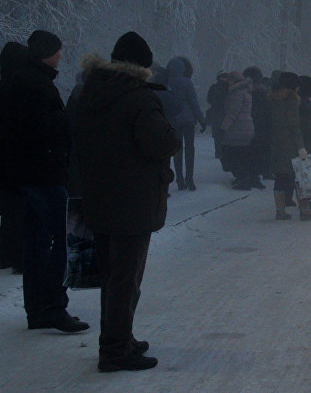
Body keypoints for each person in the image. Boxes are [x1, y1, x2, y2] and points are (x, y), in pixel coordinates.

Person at [75, 31, 181, 372]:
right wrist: (172, 133)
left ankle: (119, 338)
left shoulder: (89, 91)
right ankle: (116, 349)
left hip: (100, 195)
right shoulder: (138, 98)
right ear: (141, 66)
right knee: (127, 276)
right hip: (132, 199)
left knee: (112, 275)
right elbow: (160, 142)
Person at [1, 30, 89, 332]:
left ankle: (37, 309)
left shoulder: (22, 81)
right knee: (68, 236)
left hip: (28, 175)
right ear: (45, 53)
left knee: (36, 242)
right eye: (58, 50)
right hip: (44, 175)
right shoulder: (35, 85)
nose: (61, 55)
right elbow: (42, 130)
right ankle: (54, 306)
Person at [269, 72, 311, 220]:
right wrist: (300, 147)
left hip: (276, 144)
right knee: (300, 176)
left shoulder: (273, 100)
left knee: (280, 177)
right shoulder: (291, 102)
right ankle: (304, 209)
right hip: (290, 145)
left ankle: (280, 210)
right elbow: (294, 126)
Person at [0, 42, 28, 274]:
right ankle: (19, 256)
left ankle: (6, 254)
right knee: (20, 213)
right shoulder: (22, 90)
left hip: (4, 161)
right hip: (19, 161)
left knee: (8, 212)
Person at [165, 57, 206, 191]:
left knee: (177, 150)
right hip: (188, 120)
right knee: (190, 148)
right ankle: (190, 179)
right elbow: (194, 103)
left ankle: (180, 179)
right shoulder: (187, 82)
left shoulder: (167, 82)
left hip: (174, 119)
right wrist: (201, 119)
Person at [219, 72, 256, 189]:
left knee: (234, 155)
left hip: (237, 128)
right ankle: (245, 178)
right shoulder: (247, 92)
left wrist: (223, 127)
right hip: (247, 127)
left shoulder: (236, 94)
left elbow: (232, 113)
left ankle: (242, 179)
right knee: (243, 154)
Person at [244, 66, 270, 187]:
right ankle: (256, 175)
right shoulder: (264, 92)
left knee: (251, 152)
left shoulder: (247, 92)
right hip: (262, 126)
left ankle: (252, 176)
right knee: (258, 152)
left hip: (250, 125)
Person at [205, 71, 229, 160]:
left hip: (216, 113)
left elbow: (209, 99)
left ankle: (219, 152)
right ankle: (224, 152)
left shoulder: (214, 87)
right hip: (225, 113)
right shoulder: (229, 88)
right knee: (225, 134)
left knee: (217, 134)